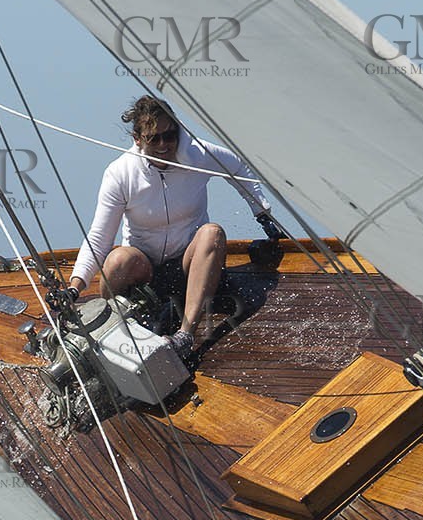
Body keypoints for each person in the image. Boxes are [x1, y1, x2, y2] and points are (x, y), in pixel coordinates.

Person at [67, 95, 272, 356]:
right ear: (138, 139)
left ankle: (185, 335)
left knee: (212, 234)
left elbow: (239, 167)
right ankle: (114, 337)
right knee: (117, 260)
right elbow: (99, 238)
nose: (164, 144)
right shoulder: (120, 173)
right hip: (146, 272)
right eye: (154, 138)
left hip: (188, 264)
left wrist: (262, 213)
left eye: (170, 135)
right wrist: (75, 287)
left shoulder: (196, 153)